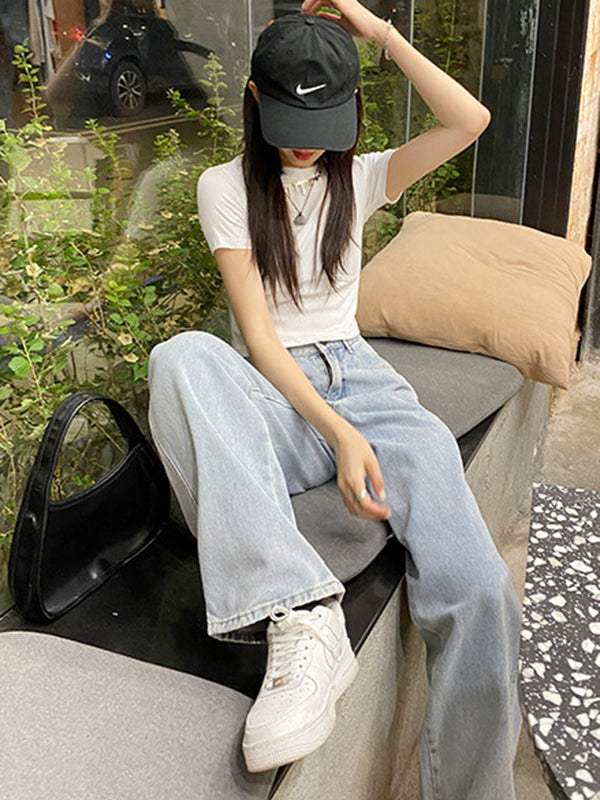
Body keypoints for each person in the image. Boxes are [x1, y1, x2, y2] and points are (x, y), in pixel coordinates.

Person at [147, 2, 522, 797]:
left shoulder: (361, 176)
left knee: (482, 588)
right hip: (278, 395)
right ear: (254, 99)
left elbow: (471, 120)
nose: (306, 141)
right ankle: (302, 615)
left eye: (324, 121)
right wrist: (340, 435)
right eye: (289, 119)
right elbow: (261, 340)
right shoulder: (225, 187)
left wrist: (379, 31)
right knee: (181, 358)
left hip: (371, 387)